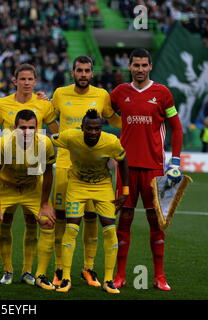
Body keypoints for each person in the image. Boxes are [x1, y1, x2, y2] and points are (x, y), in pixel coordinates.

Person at [110, 48, 183, 291]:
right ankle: (120, 275)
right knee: (124, 222)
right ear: (129, 66)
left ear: (150, 66)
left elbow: (177, 128)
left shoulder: (162, 93)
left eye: (144, 65)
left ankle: (159, 276)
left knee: (156, 223)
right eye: (136, 65)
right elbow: (101, 110)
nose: (140, 69)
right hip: (126, 168)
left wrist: (175, 162)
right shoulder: (120, 93)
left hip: (154, 169)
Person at [51, 56, 122, 287]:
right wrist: (61, 139)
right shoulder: (60, 93)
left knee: (91, 218)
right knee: (62, 218)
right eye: (79, 70)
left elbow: (113, 119)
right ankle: (60, 269)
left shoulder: (102, 95)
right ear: (73, 72)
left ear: (92, 73)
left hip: (93, 170)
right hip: (64, 164)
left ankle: (88, 268)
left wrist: (140, 124)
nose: (83, 74)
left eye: (87, 71)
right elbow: (49, 117)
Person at [0, 63, 59, 286]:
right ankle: (7, 270)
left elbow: (57, 130)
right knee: (4, 219)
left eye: (31, 79)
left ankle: (30, 271)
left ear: (35, 81)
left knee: (34, 220)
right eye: (23, 79)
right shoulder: (2, 103)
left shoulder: (43, 104)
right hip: (9, 167)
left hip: (33, 169)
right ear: (15, 81)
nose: (27, 83)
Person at [52, 109, 129, 294]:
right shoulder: (71, 137)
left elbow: (124, 161)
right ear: (82, 128)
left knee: (110, 231)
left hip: (102, 187)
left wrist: (124, 191)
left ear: (101, 128)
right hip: (76, 186)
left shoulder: (110, 141)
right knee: (71, 229)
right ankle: (66, 277)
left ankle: (108, 280)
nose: (93, 132)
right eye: (89, 128)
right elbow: (49, 137)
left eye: (97, 129)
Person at [0, 109, 56, 290]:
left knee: (46, 221)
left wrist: (45, 204)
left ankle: (35, 274)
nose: (27, 132)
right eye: (22, 128)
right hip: (6, 186)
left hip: (32, 186)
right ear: (14, 128)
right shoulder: (3, 142)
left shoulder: (45, 143)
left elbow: (47, 173)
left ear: (37, 128)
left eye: (31, 128)